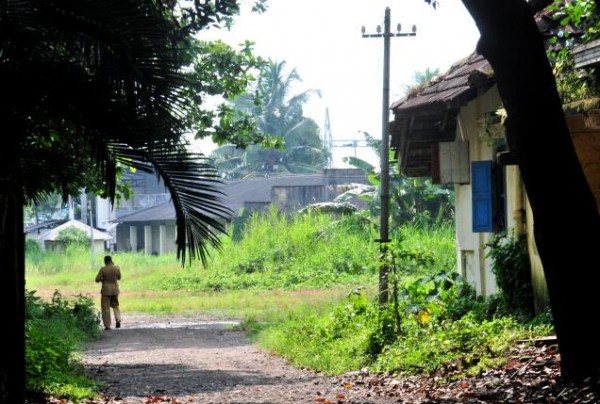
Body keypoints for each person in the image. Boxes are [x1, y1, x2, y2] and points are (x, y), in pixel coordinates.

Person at [95, 255, 122, 330]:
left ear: (105, 261)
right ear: (111, 260)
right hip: (115, 290)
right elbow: (119, 278)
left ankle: (107, 325)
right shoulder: (116, 268)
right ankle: (118, 319)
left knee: (105, 308)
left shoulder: (103, 269)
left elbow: (97, 279)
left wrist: (102, 279)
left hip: (106, 291)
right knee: (115, 305)